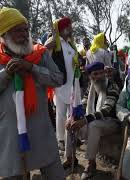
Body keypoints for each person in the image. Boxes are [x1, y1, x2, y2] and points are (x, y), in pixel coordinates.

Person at [0, 7, 65, 179]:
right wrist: (7, 73)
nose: (24, 34)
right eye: (17, 30)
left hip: (41, 131)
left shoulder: (40, 54)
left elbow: (58, 78)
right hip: (10, 136)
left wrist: (32, 68)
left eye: (26, 30)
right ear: (4, 34)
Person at [62, 62, 120, 179]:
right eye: (95, 74)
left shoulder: (112, 86)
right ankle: (70, 157)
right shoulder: (91, 87)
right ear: (90, 76)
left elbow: (106, 110)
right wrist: (73, 117)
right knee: (70, 122)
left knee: (93, 125)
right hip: (93, 120)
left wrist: (85, 120)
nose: (98, 76)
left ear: (104, 73)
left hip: (111, 122)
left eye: (100, 73)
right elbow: (83, 105)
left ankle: (91, 163)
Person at [45, 16, 81, 150]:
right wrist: (45, 47)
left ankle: (71, 139)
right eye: (68, 26)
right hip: (60, 83)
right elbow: (44, 56)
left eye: (70, 26)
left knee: (72, 112)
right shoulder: (54, 41)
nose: (71, 29)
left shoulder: (70, 43)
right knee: (60, 113)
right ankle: (60, 139)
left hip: (72, 82)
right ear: (62, 28)